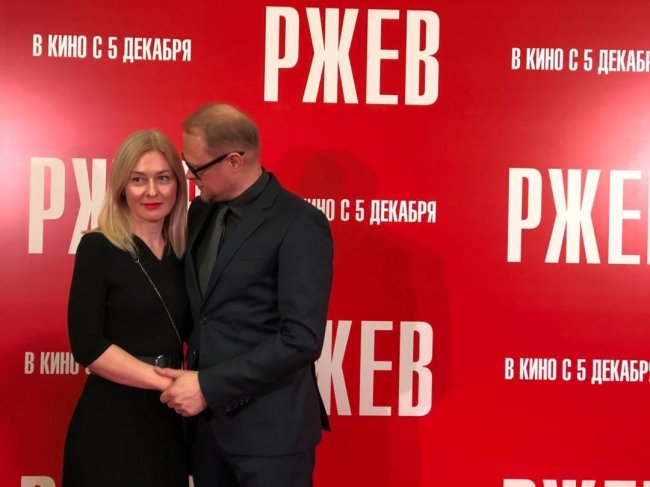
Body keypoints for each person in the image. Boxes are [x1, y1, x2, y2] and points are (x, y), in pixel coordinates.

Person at [156, 103, 334, 487]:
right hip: (207, 434)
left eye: (196, 167)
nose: (189, 176)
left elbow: (301, 338)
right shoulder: (200, 211)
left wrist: (209, 386)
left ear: (234, 161)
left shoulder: (299, 223)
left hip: (272, 436)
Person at [63, 129, 190, 486]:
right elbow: (87, 346)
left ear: (178, 185)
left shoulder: (185, 253)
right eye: (138, 180)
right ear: (121, 187)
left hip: (171, 422)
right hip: (112, 423)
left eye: (163, 178)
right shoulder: (98, 247)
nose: (152, 191)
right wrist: (166, 381)